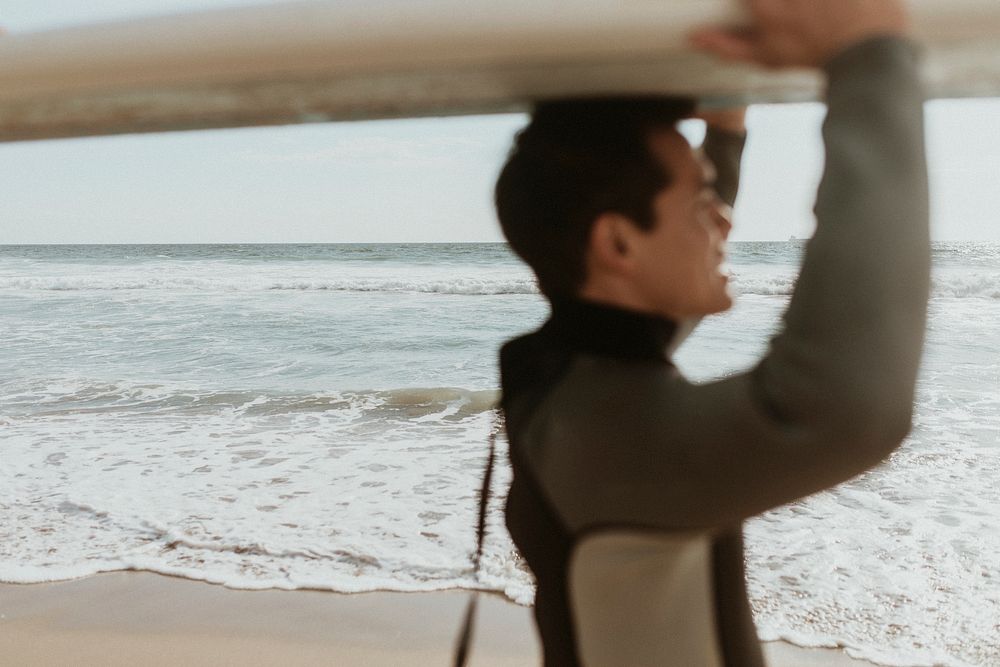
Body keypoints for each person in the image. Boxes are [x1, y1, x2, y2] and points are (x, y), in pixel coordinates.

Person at [494, 0, 930, 665]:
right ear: (615, 242)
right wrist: (868, 57)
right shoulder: (612, 437)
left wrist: (724, 132)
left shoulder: (569, 390)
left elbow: (651, 300)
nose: (724, 219)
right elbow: (841, 408)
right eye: (703, 201)